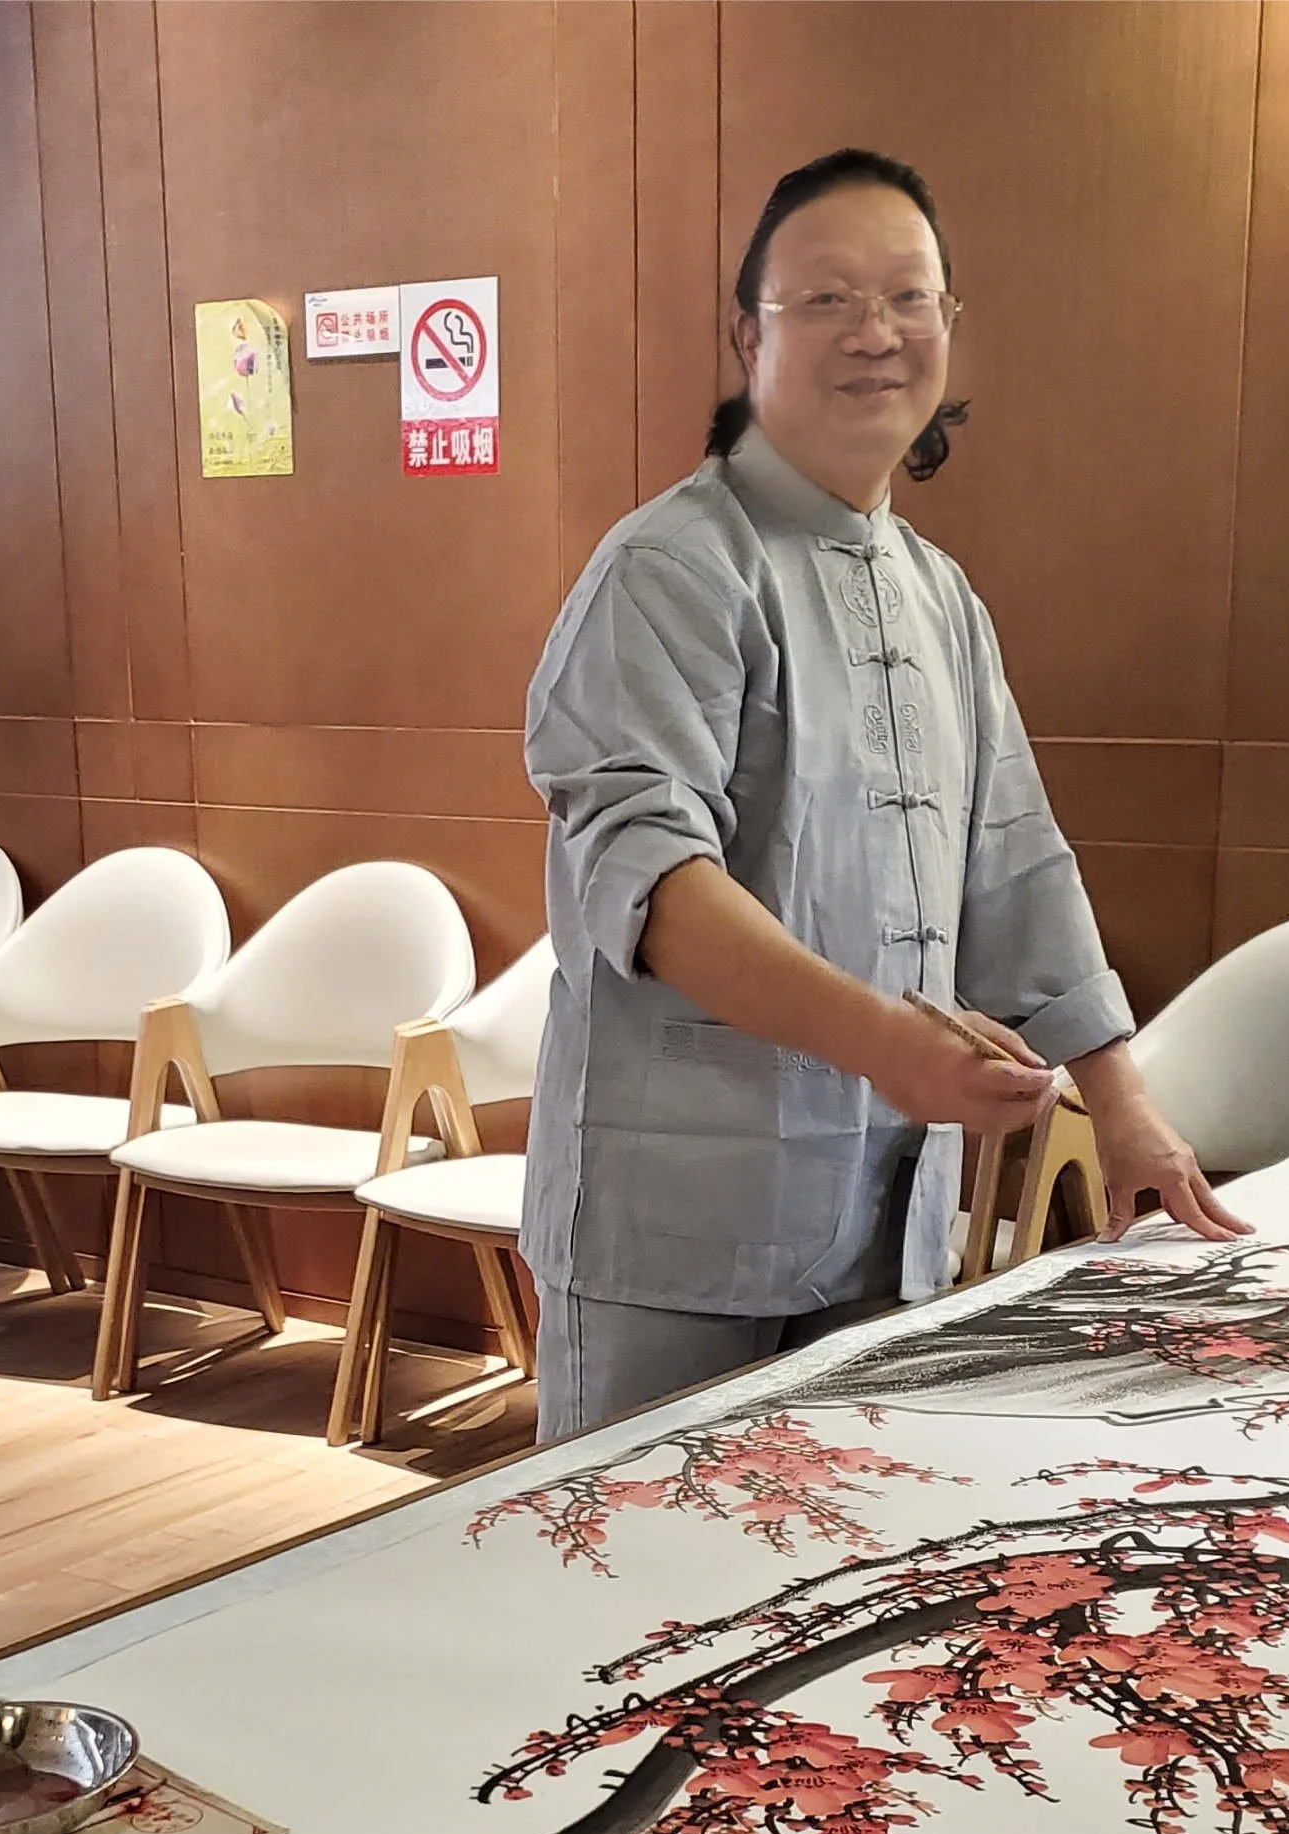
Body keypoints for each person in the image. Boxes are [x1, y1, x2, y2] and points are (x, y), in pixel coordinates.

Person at [522, 148, 1244, 1442]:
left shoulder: (939, 595)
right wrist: (886, 1045)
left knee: (822, 1575)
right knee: (638, 1586)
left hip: (884, 1215)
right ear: (748, 336)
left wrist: (1125, 1109)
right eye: (827, 301)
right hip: (675, 1236)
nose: (876, 334)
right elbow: (645, 881)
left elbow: (1016, 863)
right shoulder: (671, 569)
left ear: (951, 334)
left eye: (908, 300)